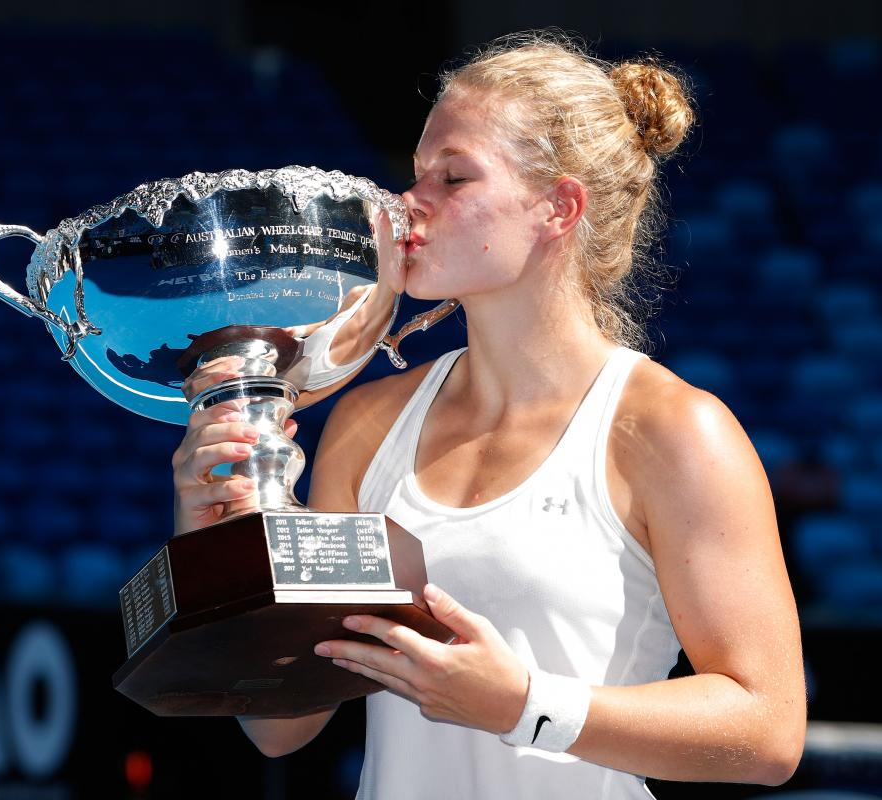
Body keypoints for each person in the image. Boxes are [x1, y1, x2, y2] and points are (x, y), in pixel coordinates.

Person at [172, 32, 806, 799]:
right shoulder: (367, 423)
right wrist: (217, 519)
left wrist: (527, 706)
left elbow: (768, 729)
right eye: (415, 175)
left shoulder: (671, 429)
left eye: (454, 176)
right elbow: (279, 726)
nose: (410, 204)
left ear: (557, 207)